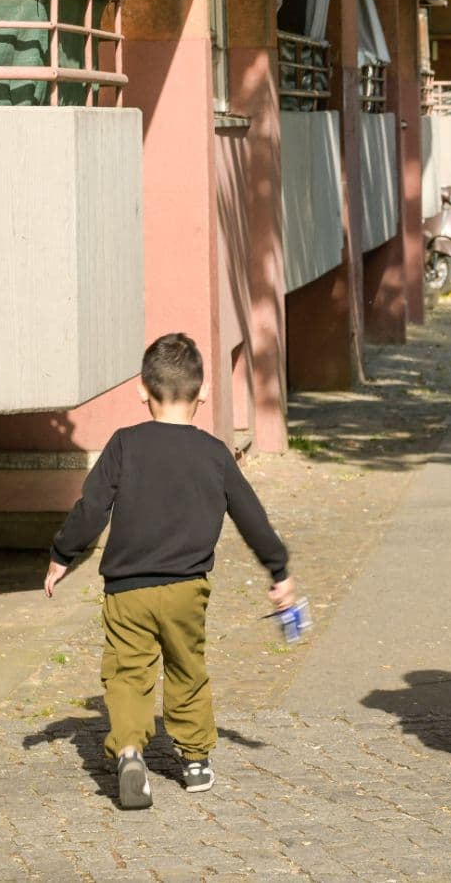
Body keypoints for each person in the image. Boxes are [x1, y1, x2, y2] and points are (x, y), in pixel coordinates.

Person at [44, 333, 295, 811]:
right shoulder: (215, 454)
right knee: (187, 667)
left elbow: (91, 508)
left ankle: (132, 750)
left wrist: (62, 554)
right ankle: (196, 759)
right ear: (203, 394)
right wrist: (277, 569)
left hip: (127, 590)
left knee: (127, 672)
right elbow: (251, 516)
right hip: (187, 588)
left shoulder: (123, 445)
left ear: (142, 389)